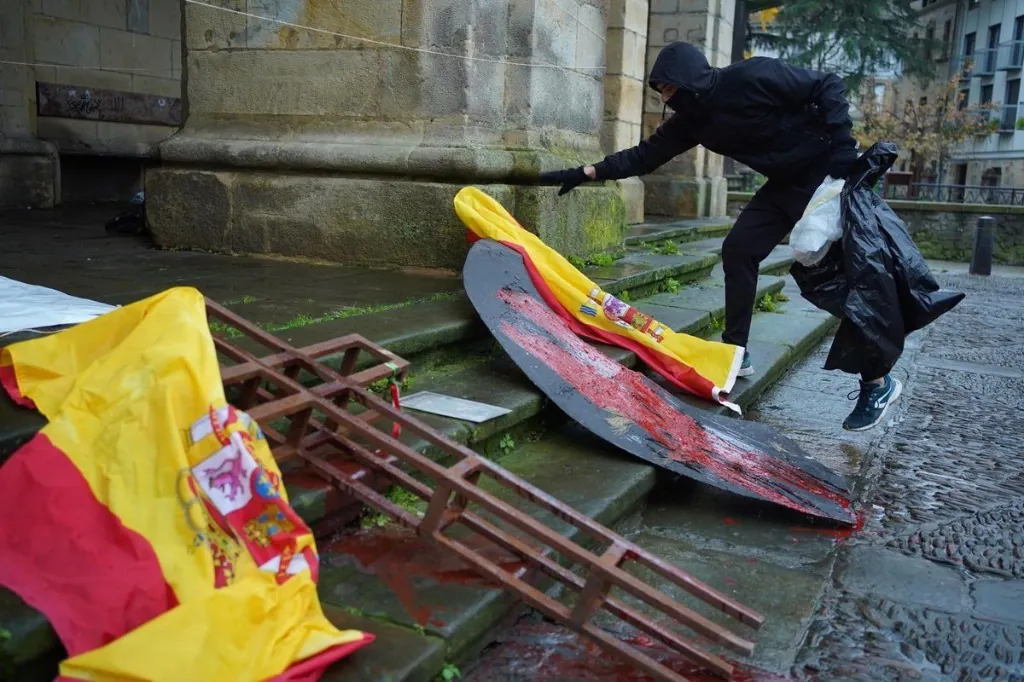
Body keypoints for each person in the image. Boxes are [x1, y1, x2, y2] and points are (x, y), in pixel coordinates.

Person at [538, 41, 901, 432]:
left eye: (669, 90)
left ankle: (877, 382)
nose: (666, 99)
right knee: (739, 249)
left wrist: (844, 150)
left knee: (850, 278)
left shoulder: (752, 76)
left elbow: (827, 83)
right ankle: (736, 351)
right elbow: (644, 155)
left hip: (828, 178)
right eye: (661, 93)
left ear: (689, 80)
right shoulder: (691, 122)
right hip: (785, 184)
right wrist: (588, 172)